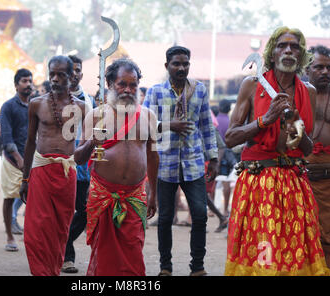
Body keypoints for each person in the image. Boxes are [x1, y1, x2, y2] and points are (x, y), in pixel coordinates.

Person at [224, 26, 330, 276]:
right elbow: (230, 138)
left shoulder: (309, 92)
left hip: (294, 184)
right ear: (272, 54)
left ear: (301, 56)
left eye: (295, 47)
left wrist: (296, 126)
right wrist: (266, 119)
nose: (289, 50)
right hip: (258, 184)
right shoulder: (251, 85)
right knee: (262, 256)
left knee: (293, 256)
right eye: (283, 45)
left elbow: (307, 149)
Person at [74, 58, 158, 276]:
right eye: (122, 84)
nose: (128, 90)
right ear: (110, 84)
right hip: (103, 194)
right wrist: (93, 141)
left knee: (133, 252)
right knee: (104, 255)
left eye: (133, 85)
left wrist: (154, 194)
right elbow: (79, 158)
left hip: (135, 195)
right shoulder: (95, 116)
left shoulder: (148, 116)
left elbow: (153, 157)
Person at [143, 46, 218, 276]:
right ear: (167, 66)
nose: (181, 68)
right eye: (176, 63)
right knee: (165, 218)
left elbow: (206, 125)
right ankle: (166, 267)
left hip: (193, 163)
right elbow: (142, 125)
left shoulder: (200, 90)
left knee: (200, 214)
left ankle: (198, 267)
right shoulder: (155, 92)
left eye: (185, 64)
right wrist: (169, 125)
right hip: (164, 164)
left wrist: (213, 157)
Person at [20, 55, 87, 276]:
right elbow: (30, 142)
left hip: (67, 172)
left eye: (61, 74)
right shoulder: (36, 103)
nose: (55, 79)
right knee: (35, 230)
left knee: (60, 229)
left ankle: (52, 271)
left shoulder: (82, 107)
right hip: (40, 169)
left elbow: (88, 147)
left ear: (71, 76)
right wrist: (25, 178)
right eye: (52, 74)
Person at [305, 45, 330, 276]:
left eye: (329, 67)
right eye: (319, 67)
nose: (325, 72)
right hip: (301, 185)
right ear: (307, 69)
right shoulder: (294, 96)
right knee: (302, 238)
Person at [61, 55, 96, 273]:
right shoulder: (56, 98)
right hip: (59, 162)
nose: (75, 74)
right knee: (64, 210)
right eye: (71, 70)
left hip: (82, 165)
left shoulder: (90, 100)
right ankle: (66, 256)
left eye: (78, 70)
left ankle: (65, 243)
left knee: (83, 211)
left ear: (82, 73)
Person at [0, 68, 33, 252]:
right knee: (10, 198)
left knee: (34, 198)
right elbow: (6, 138)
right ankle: (10, 235)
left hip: (33, 159)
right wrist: (20, 160)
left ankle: (31, 236)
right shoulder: (8, 106)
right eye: (24, 81)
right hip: (13, 160)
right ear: (16, 84)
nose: (28, 84)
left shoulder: (35, 105)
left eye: (30, 81)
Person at [216, 99, 236, 217]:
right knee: (226, 181)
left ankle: (219, 210)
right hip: (229, 153)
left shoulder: (216, 121)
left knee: (222, 181)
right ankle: (225, 209)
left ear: (219, 108)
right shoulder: (230, 122)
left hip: (218, 154)